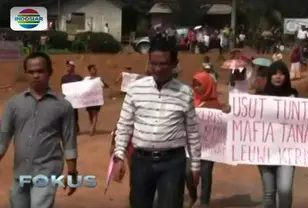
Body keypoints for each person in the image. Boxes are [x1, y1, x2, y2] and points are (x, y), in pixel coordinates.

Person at [112, 37, 201, 208]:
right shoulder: (135, 89)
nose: (158, 69)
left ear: (174, 64)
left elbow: (192, 131)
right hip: (141, 162)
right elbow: (124, 125)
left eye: (163, 64)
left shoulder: (185, 93)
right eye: (153, 64)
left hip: (173, 164)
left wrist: (195, 165)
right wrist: (119, 156)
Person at [0, 52, 78, 208]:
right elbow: (3, 138)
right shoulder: (14, 105)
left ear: (50, 73)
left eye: (40, 71)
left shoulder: (63, 105)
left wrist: (72, 172)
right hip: (20, 172)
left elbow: (69, 141)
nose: (36, 75)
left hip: (47, 171)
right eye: (31, 72)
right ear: (26, 74)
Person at [186, 71, 230, 208]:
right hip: (191, 146)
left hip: (210, 147)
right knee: (188, 172)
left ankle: (204, 202)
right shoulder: (189, 101)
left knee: (206, 173)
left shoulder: (215, 105)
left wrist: (228, 111)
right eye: (194, 85)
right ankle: (193, 197)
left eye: (199, 85)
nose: (196, 88)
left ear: (207, 85)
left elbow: (226, 119)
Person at [258, 60, 298, 208]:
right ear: (270, 76)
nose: (278, 76)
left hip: (287, 152)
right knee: (269, 194)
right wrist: (231, 109)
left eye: (282, 74)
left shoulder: (294, 96)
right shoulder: (260, 96)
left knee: (285, 189)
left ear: (287, 77)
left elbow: (305, 119)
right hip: (265, 151)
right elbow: (247, 117)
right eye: (275, 73)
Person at [84, 64, 108, 136]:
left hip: (96, 100)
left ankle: (92, 128)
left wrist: (103, 82)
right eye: (93, 69)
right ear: (89, 71)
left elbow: (106, 86)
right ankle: (93, 126)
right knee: (90, 114)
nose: (94, 70)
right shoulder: (86, 79)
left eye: (95, 69)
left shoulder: (99, 79)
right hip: (88, 100)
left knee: (95, 113)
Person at [61, 60, 83, 133]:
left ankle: (75, 127)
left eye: (69, 66)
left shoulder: (78, 78)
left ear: (73, 67)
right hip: (67, 99)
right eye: (67, 66)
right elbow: (63, 89)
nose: (68, 68)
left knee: (74, 113)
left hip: (75, 100)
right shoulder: (64, 78)